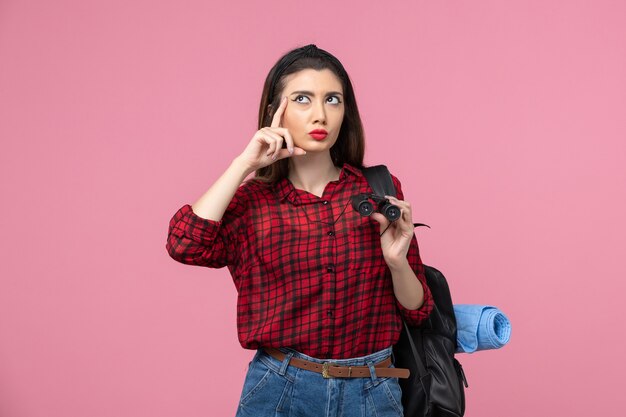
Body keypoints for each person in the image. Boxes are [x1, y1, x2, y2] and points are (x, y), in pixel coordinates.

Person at [166, 44, 434, 417]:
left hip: (373, 390)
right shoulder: (252, 203)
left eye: (333, 100)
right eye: (303, 99)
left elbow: (419, 311)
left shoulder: (380, 190)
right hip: (280, 388)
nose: (320, 114)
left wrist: (397, 262)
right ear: (276, 112)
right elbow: (185, 244)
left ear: (347, 111)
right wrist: (244, 164)